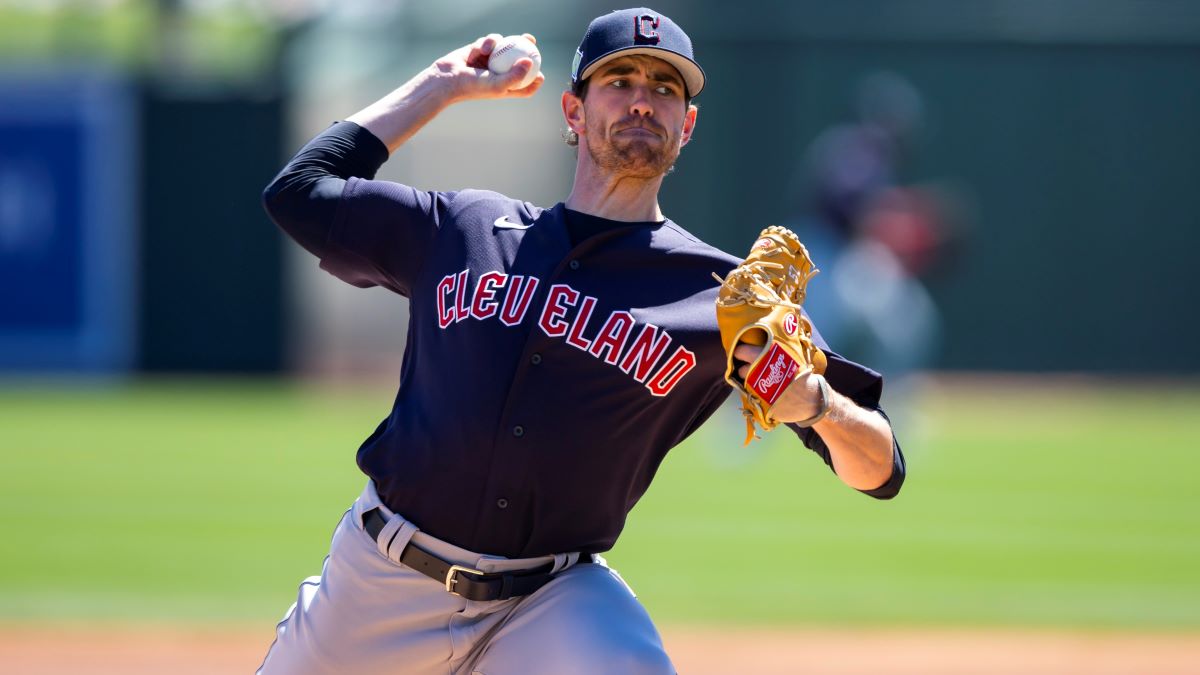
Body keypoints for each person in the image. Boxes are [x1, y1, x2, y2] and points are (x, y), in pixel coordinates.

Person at [258, 8, 905, 674]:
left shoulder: (725, 298)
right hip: (380, 583)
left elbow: (882, 468)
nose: (641, 100)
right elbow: (300, 194)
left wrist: (821, 406)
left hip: (551, 600)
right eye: (619, 80)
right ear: (573, 111)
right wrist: (442, 85)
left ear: (687, 125)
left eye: (664, 88)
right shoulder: (465, 228)